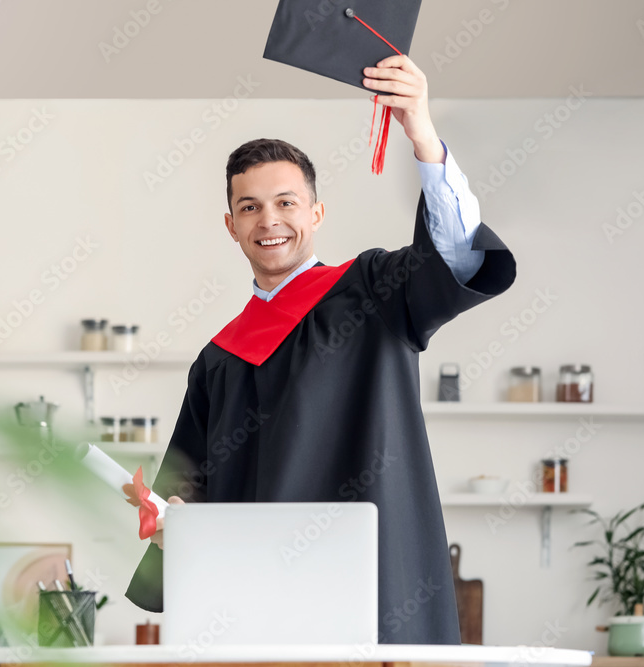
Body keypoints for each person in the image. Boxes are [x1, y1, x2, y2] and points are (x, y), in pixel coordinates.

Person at [125, 54, 516, 645]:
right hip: (262, 612)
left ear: (316, 212)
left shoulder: (374, 292)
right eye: (249, 207)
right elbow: (189, 495)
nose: (269, 220)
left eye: (285, 202)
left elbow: (457, 251)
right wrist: (165, 516)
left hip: (380, 589)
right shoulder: (218, 361)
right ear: (230, 225)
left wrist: (421, 132)